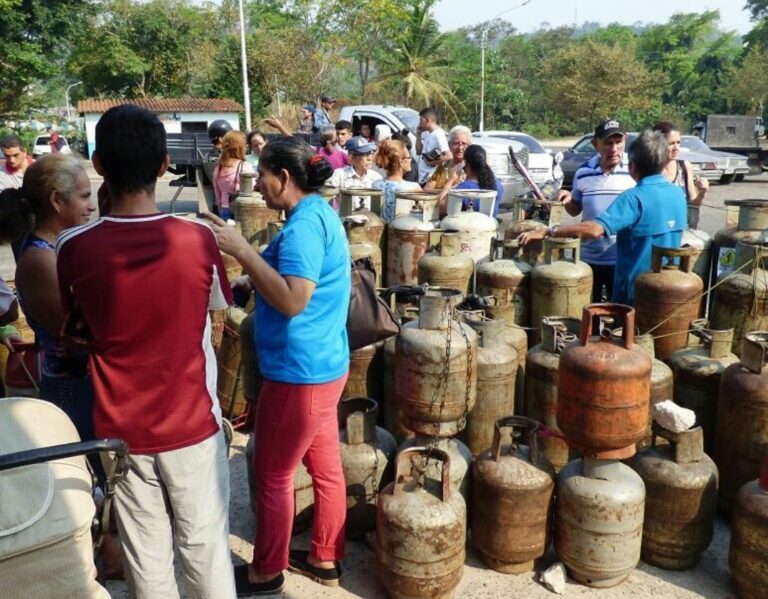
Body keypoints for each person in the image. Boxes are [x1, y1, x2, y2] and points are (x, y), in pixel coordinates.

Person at [56, 104, 237, 599]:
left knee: (147, 562)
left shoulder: (72, 247)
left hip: (122, 434)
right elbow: (216, 316)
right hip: (193, 426)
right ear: (164, 166)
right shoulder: (198, 238)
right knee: (205, 553)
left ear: (99, 165)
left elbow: (79, 328)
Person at [203, 137, 350, 596]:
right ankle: (325, 556)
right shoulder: (318, 214)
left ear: (283, 178)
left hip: (299, 372)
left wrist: (242, 251)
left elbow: (292, 299)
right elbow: (294, 282)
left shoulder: (305, 225)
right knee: (325, 469)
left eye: (260, 176)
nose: (257, 184)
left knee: (272, 474)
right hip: (324, 365)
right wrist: (253, 277)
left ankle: (267, 571)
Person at [518, 130, 687, 306]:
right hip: (668, 293)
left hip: (633, 295)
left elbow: (595, 230)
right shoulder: (678, 194)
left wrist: (549, 231)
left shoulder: (633, 198)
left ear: (632, 166)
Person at [0, 154, 96, 432]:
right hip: (73, 389)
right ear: (56, 200)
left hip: (81, 384)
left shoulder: (57, 247)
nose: (91, 206)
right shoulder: (41, 260)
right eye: (84, 196)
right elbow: (78, 337)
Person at [559, 118, 636, 302]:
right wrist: (568, 199)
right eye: (608, 143)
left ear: (625, 140)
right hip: (587, 259)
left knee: (619, 314)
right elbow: (575, 211)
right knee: (587, 310)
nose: (614, 148)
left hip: (621, 259)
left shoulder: (634, 171)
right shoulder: (583, 172)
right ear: (595, 144)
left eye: (618, 142)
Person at [652, 121, 708, 227]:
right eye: (671, 143)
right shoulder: (648, 169)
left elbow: (693, 203)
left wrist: (703, 191)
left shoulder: (684, 167)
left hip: (680, 231)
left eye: (678, 142)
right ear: (658, 144)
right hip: (656, 230)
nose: (676, 148)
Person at [372, 139, 422, 222]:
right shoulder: (413, 188)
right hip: (402, 231)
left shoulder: (375, 185)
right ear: (401, 161)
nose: (410, 160)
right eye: (409, 157)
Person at [448, 144, 504, 216]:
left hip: (469, 225)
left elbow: (442, 207)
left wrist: (451, 181)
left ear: (466, 164)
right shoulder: (498, 184)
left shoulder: (463, 189)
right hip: (491, 224)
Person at [328, 136, 383, 210]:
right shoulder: (340, 175)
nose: (369, 158)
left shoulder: (376, 178)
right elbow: (327, 200)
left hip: (371, 219)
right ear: (352, 157)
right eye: (364, 154)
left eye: (370, 153)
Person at [213, 130, 255, 220]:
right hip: (241, 209)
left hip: (224, 210)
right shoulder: (244, 166)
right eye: (245, 144)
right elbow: (253, 186)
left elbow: (217, 195)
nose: (247, 147)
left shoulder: (219, 168)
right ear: (240, 147)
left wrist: (222, 210)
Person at [424, 125, 470, 195]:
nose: (460, 147)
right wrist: (447, 191)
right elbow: (427, 189)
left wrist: (442, 191)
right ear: (450, 145)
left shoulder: (471, 167)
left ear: (469, 146)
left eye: (464, 144)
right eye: (456, 144)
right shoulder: (443, 166)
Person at [415, 107, 450, 185]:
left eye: (421, 120)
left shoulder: (438, 134)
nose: (419, 123)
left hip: (430, 179)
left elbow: (448, 156)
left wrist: (432, 162)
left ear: (427, 120)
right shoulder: (429, 134)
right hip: (423, 178)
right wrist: (418, 134)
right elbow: (418, 152)